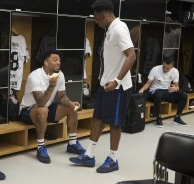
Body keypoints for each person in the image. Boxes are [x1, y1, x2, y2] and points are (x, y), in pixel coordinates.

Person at [69, 0, 136, 173]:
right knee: (97, 118)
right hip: (105, 84)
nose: (96, 21)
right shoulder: (110, 30)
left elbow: (131, 56)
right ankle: (89, 156)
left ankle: (113, 159)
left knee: (114, 123)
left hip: (118, 87)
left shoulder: (119, 29)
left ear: (104, 14)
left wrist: (117, 81)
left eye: (97, 18)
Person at [20, 49, 85, 164]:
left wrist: (70, 103)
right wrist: (51, 86)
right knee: (43, 110)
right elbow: (40, 103)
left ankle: (72, 143)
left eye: (59, 60)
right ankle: (40, 147)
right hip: (28, 110)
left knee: (72, 108)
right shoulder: (34, 76)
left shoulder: (60, 75)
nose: (58, 62)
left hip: (46, 108)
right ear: (46, 62)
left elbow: (62, 96)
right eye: (55, 60)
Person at [139, 57, 187, 128]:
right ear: (162, 64)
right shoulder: (155, 69)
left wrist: (175, 89)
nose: (165, 69)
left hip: (166, 91)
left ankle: (177, 118)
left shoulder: (175, 71)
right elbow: (148, 83)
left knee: (183, 95)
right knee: (158, 94)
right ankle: (158, 118)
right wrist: (142, 90)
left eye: (167, 68)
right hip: (154, 91)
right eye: (164, 67)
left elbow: (177, 86)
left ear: (172, 67)